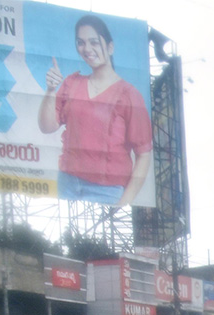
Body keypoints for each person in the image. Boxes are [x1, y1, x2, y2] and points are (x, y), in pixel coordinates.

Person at [39, 14, 153, 206]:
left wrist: (125, 201)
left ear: (110, 47)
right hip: (67, 183)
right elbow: (47, 127)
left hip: (107, 192)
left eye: (94, 42)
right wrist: (50, 90)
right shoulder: (72, 83)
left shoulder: (129, 95)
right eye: (81, 42)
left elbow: (144, 154)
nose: (87, 49)